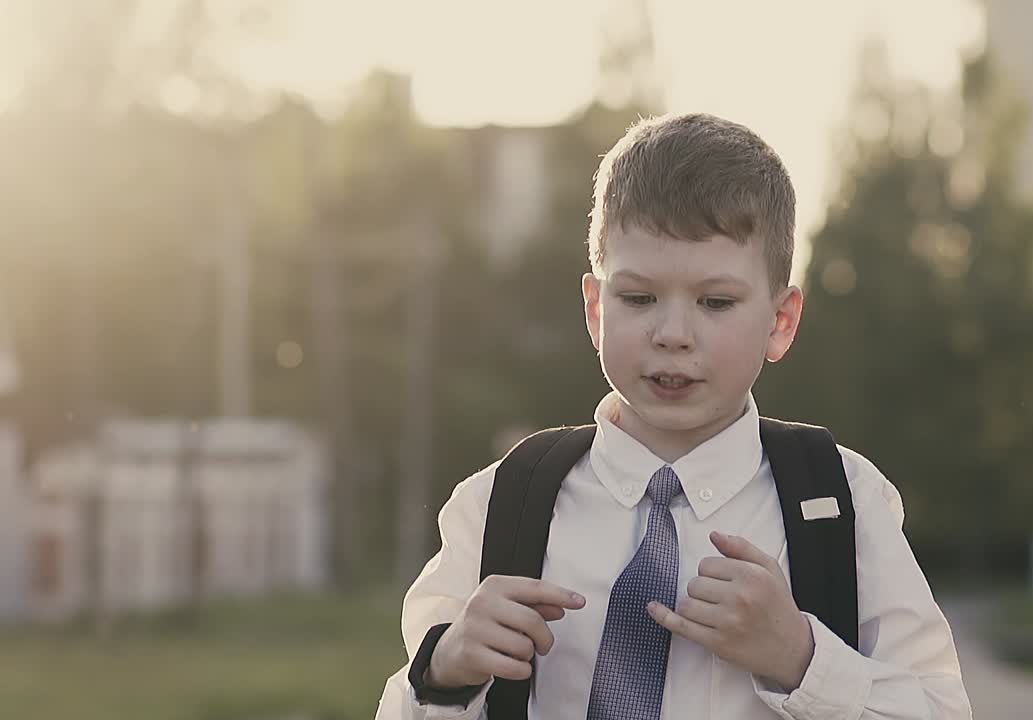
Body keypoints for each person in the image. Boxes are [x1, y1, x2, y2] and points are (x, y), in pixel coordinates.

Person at [374, 112, 971, 719]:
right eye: (637, 298)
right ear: (595, 310)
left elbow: (944, 710)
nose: (673, 333)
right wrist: (444, 673)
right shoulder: (500, 504)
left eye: (716, 302)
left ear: (781, 321)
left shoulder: (842, 503)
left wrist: (801, 659)